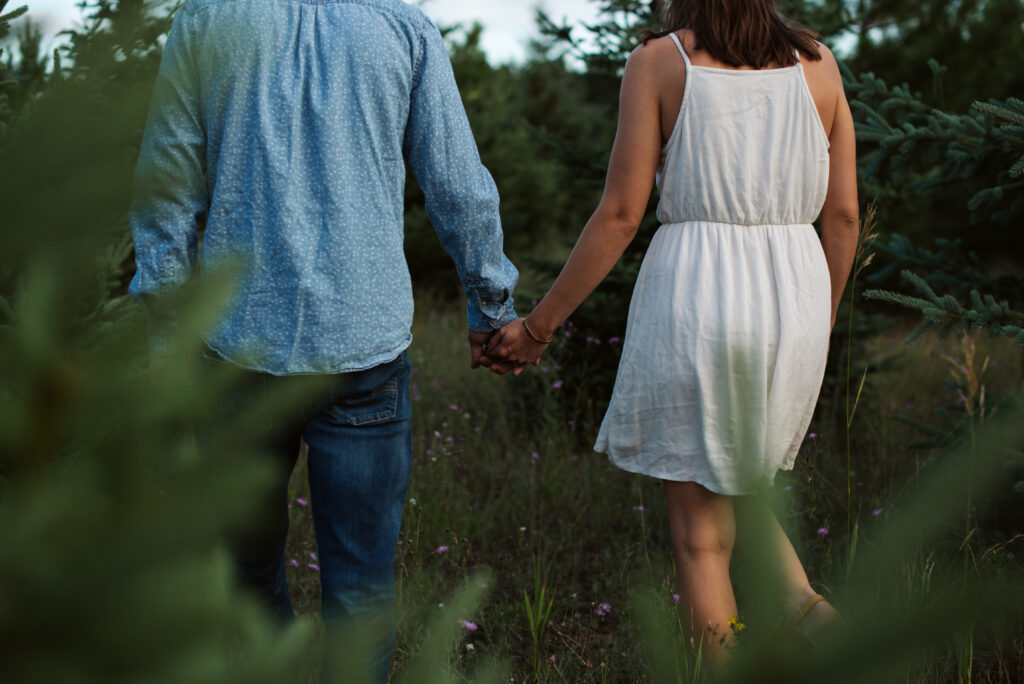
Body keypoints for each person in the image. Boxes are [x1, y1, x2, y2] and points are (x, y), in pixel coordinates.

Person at [128, 0, 518, 679]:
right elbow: (458, 185)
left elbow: (167, 182)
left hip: (235, 346)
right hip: (363, 346)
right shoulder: (403, 28)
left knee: (246, 578)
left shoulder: (207, 19)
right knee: (362, 590)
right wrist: (491, 305)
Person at [487, 0, 858, 667]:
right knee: (744, 486)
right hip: (798, 303)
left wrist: (539, 328)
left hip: (699, 297)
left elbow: (622, 214)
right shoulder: (819, 63)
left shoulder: (662, 61)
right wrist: (817, 324)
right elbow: (844, 216)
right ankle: (837, 642)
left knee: (701, 538)